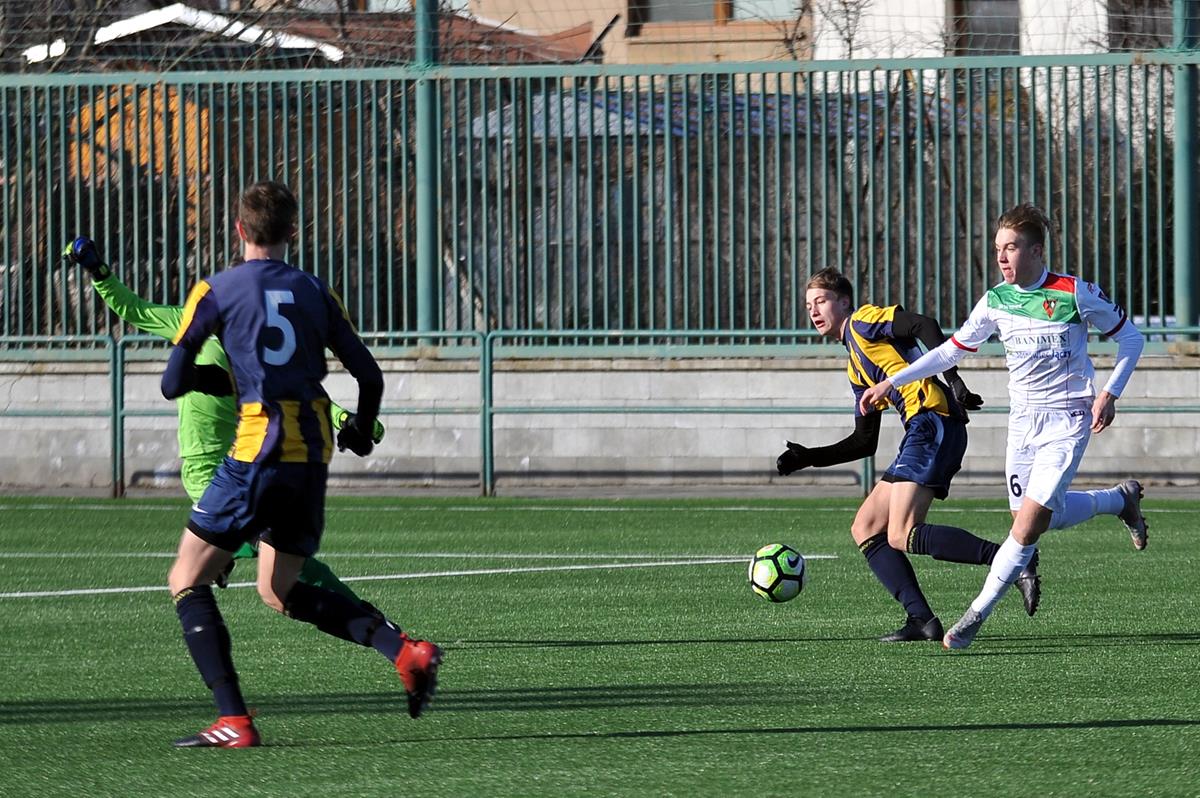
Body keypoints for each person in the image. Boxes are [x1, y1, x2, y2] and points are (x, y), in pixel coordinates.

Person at [159, 180, 440, 747]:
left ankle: (234, 720)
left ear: (238, 229)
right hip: (311, 454)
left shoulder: (215, 288)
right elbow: (370, 375)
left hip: (257, 451)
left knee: (186, 577)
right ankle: (404, 651)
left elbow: (172, 383)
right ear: (293, 231)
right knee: (278, 588)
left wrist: (215, 378)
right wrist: (359, 428)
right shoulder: (315, 290)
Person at [859, 203, 1147, 650]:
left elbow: (1132, 338)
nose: (1001, 256)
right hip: (1022, 425)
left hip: (1066, 421)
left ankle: (974, 616)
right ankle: (1118, 499)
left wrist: (1109, 393)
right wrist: (892, 381)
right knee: (1035, 519)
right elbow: (950, 350)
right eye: (998, 248)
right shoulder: (995, 300)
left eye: (1010, 247)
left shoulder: (1074, 293)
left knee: (1026, 530)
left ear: (1035, 251)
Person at [63, 236, 386, 605]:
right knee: (261, 555)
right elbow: (133, 308)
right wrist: (98, 271)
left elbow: (291, 393)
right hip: (203, 467)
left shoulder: (251, 339)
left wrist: (346, 417)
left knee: (283, 560)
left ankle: (236, 560)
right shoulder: (185, 322)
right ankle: (230, 556)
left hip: (247, 461)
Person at [777, 267, 1039, 643]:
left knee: (901, 534)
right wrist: (809, 457)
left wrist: (955, 381)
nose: (814, 310)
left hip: (932, 421)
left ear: (844, 302)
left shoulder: (862, 322)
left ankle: (1013, 559)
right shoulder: (856, 365)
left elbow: (922, 325)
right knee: (866, 527)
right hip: (921, 430)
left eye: (821, 301)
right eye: (808, 305)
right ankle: (921, 619)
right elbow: (864, 441)